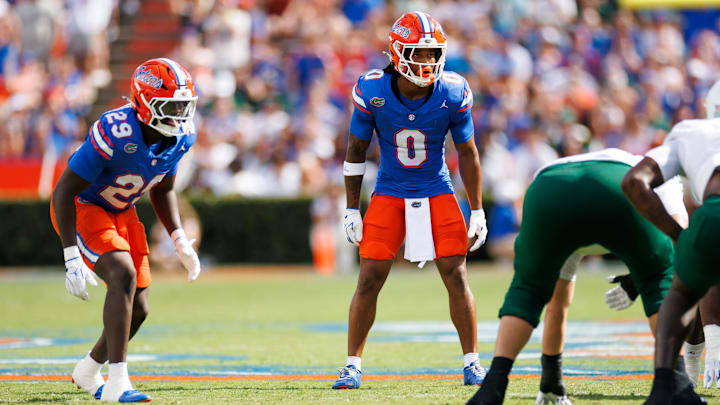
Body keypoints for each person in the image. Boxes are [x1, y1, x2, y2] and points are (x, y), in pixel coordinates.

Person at [333, 11, 488, 389]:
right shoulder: (373, 90)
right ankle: (352, 364)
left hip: (437, 189)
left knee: (456, 274)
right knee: (369, 279)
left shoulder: (452, 91)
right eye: (419, 54)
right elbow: (355, 150)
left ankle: (472, 362)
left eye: (433, 53)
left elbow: (468, 152)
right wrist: (352, 208)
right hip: (389, 191)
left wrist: (479, 209)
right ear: (398, 53)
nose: (428, 61)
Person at [466, 148, 693, 405]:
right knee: (659, 280)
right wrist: (640, 280)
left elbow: (557, 307)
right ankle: (677, 381)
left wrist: (551, 379)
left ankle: (495, 386)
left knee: (528, 291)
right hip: (617, 187)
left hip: (549, 187)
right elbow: (679, 242)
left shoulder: (634, 164)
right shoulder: (662, 175)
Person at [50, 58, 201, 403]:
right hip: (86, 207)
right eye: (172, 106)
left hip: (122, 210)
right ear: (146, 103)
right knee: (122, 274)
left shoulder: (181, 136)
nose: (180, 115)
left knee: (141, 308)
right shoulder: (115, 130)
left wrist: (179, 238)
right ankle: (118, 383)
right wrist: (70, 254)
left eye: (184, 106)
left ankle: (87, 370)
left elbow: (163, 188)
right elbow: (63, 191)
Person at [622, 80, 720, 405]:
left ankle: (665, 386)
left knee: (682, 290)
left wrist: (679, 236)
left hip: (712, 212)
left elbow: (634, 182)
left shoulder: (692, 132)